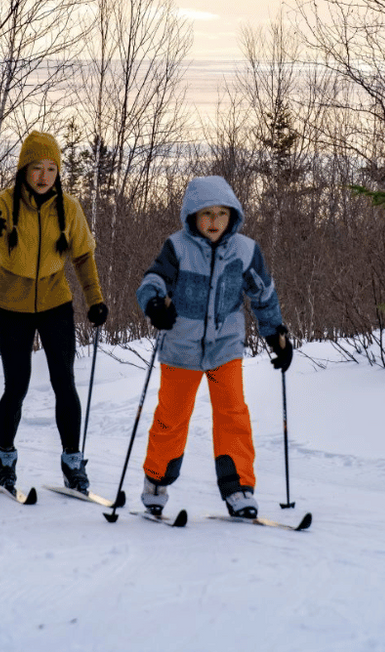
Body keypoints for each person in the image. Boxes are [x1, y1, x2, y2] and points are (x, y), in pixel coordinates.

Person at [135, 175, 294, 519]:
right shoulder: (176, 247)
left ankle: (239, 489)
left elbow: (263, 294)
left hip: (225, 346)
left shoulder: (246, 251)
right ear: (192, 216)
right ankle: (157, 481)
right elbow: (153, 280)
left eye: (221, 214)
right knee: (171, 417)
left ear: (232, 215)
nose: (213, 222)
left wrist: (275, 335)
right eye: (206, 214)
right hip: (181, 347)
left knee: (233, 413)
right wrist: (155, 304)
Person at [0, 131, 107, 493]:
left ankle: (73, 461)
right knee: (17, 386)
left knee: (65, 382)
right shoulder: (2, 202)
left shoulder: (69, 208)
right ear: (24, 169)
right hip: (12, 305)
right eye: (37, 168)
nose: (44, 176)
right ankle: (5, 459)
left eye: (51, 168)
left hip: (55, 303)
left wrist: (95, 300)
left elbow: (83, 257)